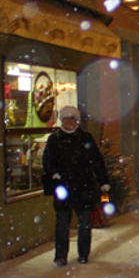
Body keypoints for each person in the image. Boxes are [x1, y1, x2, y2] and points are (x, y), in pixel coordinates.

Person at [42, 105, 109, 267]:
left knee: (84, 223)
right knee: (62, 224)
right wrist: (54, 173)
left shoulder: (85, 138)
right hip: (63, 188)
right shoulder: (54, 139)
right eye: (66, 119)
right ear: (62, 121)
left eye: (73, 118)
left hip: (83, 186)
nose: (70, 122)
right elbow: (47, 161)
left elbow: (96, 161)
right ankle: (60, 256)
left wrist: (103, 181)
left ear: (77, 121)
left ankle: (83, 254)